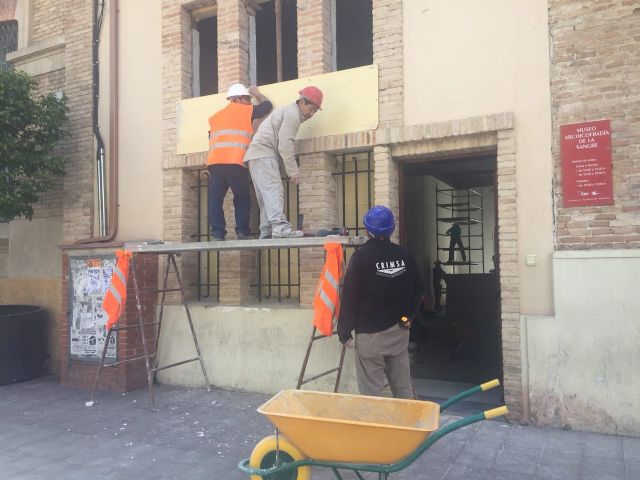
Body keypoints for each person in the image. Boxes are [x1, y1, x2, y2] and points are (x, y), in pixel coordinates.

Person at [337, 206, 424, 399]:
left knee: (372, 396)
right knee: (403, 390)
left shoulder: (361, 258)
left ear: (368, 230)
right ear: (392, 229)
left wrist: (344, 331)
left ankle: (378, 428)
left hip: (370, 338)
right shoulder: (405, 256)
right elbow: (419, 292)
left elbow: (350, 298)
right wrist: (407, 318)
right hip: (399, 333)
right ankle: (408, 427)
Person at [244, 86, 323, 239]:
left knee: (265, 195)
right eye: (311, 109)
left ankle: (266, 230)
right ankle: (279, 228)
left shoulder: (289, 111)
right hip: (263, 154)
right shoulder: (293, 114)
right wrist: (293, 170)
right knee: (274, 190)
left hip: (256, 156)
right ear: (302, 102)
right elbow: (285, 144)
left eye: (315, 111)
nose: (311, 114)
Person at [207, 84, 272, 241]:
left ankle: (217, 233)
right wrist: (257, 93)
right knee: (242, 197)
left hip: (215, 162)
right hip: (235, 161)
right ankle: (242, 232)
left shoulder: (215, 117)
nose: (250, 102)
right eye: (247, 98)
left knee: (215, 199)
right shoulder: (245, 110)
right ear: (236, 99)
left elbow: (211, 138)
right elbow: (267, 106)